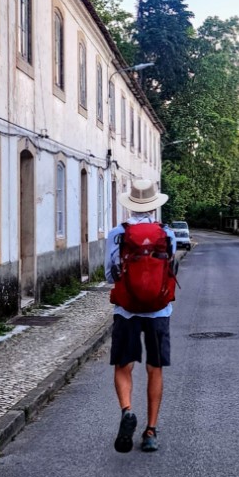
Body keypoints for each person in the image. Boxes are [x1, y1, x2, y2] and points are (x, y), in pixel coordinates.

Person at [106, 179, 176, 454]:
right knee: (154, 368)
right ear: (154, 205)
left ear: (130, 204)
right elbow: (170, 270)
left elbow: (109, 274)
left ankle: (127, 411)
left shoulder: (117, 234)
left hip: (126, 311)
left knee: (123, 366)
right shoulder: (166, 234)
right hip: (159, 310)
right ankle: (150, 432)